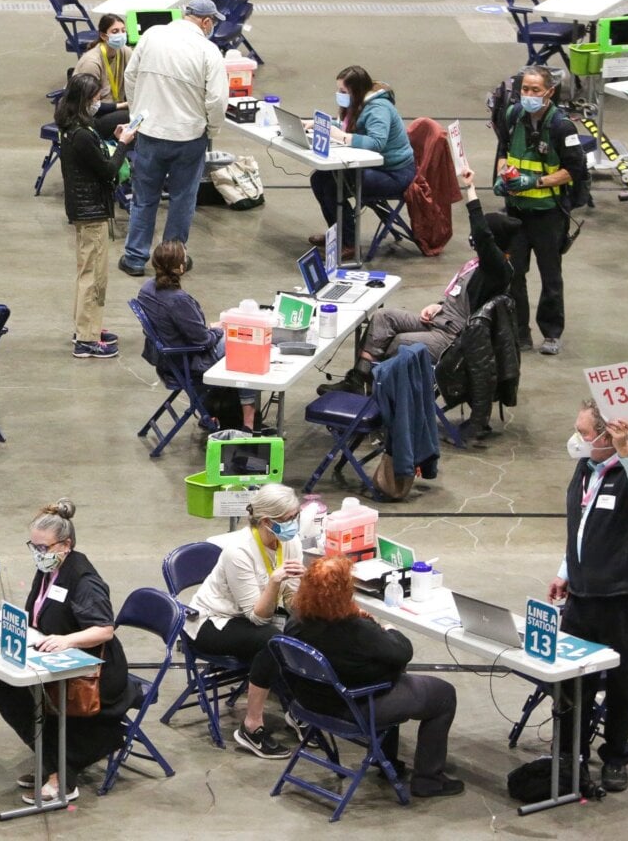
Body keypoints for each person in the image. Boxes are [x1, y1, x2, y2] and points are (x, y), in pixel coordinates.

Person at [319, 169, 515, 428]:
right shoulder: (477, 264)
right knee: (383, 317)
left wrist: (471, 191)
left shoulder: (497, 269)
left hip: (453, 337)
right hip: (442, 318)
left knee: (399, 342)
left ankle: (383, 407)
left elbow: (481, 233)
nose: (473, 239)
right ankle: (358, 381)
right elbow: (460, 293)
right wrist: (439, 304)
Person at [0, 500, 133, 805]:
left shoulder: (84, 580)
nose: (37, 554)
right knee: (7, 690)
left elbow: (104, 629)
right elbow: (38, 613)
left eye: (43, 548)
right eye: (34, 546)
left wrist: (68, 640)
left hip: (96, 675)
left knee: (33, 697)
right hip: (55, 660)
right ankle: (51, 761)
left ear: (65, 545)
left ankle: (60, 776)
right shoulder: (48, 570)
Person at [283, 557, 464, 797]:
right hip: (354, 707)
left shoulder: (295, 622)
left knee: (393, 674)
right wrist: (386, 628)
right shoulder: (357, 630)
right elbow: (402, 651)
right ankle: (428, 779)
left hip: (309, 702)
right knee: (443, 694)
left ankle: (386, 759)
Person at [549, 401, 628, 793]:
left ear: (608, 436)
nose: (576, 439)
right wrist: (566, 572)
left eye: (583, 433)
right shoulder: (585, 468)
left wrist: (626, 447)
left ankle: (615, 755)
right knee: (570, 678)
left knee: (622, 682)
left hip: (624, 598)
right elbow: (581, 528)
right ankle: (568, 752)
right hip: (582, 594)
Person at [184, 483, 301, 758]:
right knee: (272, 642)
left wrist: (307, 592)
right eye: (288, 519)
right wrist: (274, 582)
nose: (294, 524)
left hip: (256, 614)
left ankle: (297, 708)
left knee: (307, 629)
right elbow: (258, 618)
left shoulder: (290, 542)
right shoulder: (239, 551)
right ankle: (251, 726)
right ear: (267, 521)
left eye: (296, 516)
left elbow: (291, 602)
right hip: (214, 621)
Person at [118, 0, 227, 277]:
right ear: (205, 22)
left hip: (150, 134)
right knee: (182, 199)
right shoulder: (209, 51)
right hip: (189, 138)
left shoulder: (152, 35)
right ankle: (172, 260)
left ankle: (133, 258)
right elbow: (217, 100)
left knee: (144, 198)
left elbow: (130, 77)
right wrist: (211, 130)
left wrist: (138, 116)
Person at [493, 65, 587, 356]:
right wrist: (502, 178)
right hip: (516, 213)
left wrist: (536, 181)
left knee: (550, 275)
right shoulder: (512, 117)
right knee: (513, 274)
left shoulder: (562, 127)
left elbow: (574, 169)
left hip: (548, 214)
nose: (529, 95)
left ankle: (551, 333)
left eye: (535, 90)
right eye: (525, 89)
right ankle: (519, 332)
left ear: (550, 92)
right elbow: (503, 151)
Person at [134, 240, 260, 429]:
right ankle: (249, 424)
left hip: (168, 357)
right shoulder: (178, 300)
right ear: (181, 267)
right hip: (189, 359)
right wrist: (217, 329)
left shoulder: (147, 289)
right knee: (246, 347)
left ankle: (213, 411)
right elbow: (203, 340)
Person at [57, 72, 136, 359]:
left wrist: (112, 141)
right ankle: (87, 340)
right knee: (94, 275)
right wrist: (124, 143)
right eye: (95, 99)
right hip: (92, 212)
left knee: (87, 271)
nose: (98, 104)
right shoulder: (81, 135)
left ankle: (87, 327)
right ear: (83, 101)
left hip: (84, 209)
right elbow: (107, 170)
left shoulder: (73, 128)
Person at [308, 66, 415, 261]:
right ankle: (337, 233)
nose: (339, 95)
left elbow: (376, 143)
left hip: (394, 173)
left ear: (356, 91)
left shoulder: (379, 109)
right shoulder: (356, 104)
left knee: (334, 185)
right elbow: (346, 126)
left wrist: (343, 137)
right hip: (372, 166)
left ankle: (349, 243)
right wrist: (320, 125)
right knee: (319, 178)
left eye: (343, 91)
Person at [68, 12, 133, 138]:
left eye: (123, 31)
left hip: (114, 110)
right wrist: (124, 105)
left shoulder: (125, 52)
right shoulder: (91, 63)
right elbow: (88, 106)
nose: (120, 35)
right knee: (135, 116)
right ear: (104, 35)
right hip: (89, 118)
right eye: (115, 31)